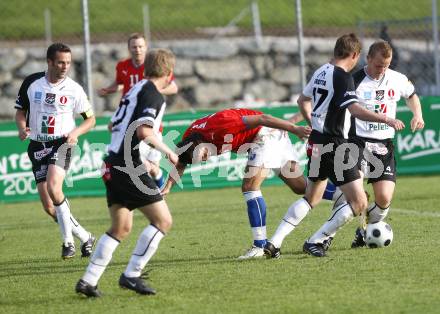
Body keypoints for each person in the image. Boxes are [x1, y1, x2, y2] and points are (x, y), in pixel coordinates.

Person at [263, 33, 405, 258]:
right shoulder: (343, 77)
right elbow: (355, 110)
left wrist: (312, 123)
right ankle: (315, 241)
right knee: (360, 202)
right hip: (337, 145)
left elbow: (303, 101)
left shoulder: (321, 71)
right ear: (356, 55)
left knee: (311, 198)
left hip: (317, 142)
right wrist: (386, 118)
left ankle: (274, 242)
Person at [161, 108, 341, 259]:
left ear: (200, 144)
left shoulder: (222, 123)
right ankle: (343, 196)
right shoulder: (189, 140)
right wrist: (168, 186)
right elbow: (181, 161)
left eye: (205, 155)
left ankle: (260, 246)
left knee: (249, 186)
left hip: (265, 134)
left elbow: (263, 118)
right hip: (271, 137)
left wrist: (294, 128)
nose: (208, 158)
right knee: (301, 187)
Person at [76, 48, 178, 297]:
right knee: (163, 221)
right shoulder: (154, 95)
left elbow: (114, 124)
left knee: (121, 227)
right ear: (170, 73)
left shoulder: (135, 88)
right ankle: (131, 274)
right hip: (128, 164)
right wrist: (168, 152)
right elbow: (144, 131)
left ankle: (88, 281)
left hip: (112, 161)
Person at [14, 43, 96, 260]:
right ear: (49, 62)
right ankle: (86, 236)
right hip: (37, 146)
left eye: (68, 63)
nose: (64, 66)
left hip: (62, 143)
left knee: (53, 186)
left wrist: (76, 132)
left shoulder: (74, 89)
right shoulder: (32, 83)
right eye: (60, 62)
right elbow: (20, 112)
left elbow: (91, 120)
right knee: (49, 206)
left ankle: (68, 242)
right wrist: (22, 128)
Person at [342, 40, 424, 247]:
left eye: (386, 65)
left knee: (385, 198)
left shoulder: (397, 79)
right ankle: (324, 236)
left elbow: (412, 95)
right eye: (378, 65)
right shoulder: (355, 80)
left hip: (384, 145)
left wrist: (418, 115)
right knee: (357, 193)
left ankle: (364, 231)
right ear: (368, 59)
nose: (382, 70)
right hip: (357, 142)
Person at [99, 33, 178, 189]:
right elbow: (120, 84)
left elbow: (174, 87)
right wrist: (109, 89)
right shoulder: (124, 68)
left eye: (140, 46)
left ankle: (155, 193)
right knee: (139, 168)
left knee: (152, 168)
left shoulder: (153, 75)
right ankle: (153, 195)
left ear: (146, 48)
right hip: (134, 128)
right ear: (128, 49)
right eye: (134, 47)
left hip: (146, 126)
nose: (137, 50)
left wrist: (154, 92)